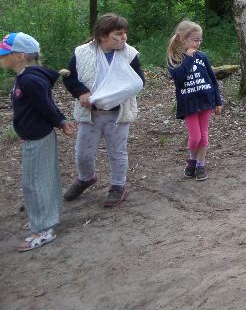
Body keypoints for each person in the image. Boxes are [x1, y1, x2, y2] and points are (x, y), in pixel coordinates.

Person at [1, 32, 75, 252]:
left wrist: (61, 121)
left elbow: (45, 105)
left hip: (37, 137)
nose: (1, 58)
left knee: (35, 183)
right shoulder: (26, 76)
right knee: (43, 178)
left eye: (4, 54)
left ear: (20, 56)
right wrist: (60, 121)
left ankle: (44, 228)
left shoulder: (29, 80)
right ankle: (46, 216)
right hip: (35, 135)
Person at [63, 13, 144, 207]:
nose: (124, 37)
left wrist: (112, 96)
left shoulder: (129, 54)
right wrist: (81, 93)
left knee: (117, 152)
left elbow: (138, 81)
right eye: (118, 34)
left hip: (117, 115)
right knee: (83, 153)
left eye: (124, 33)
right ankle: (86, 178)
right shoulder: (82, 53)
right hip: (90, 114)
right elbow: (68, 77)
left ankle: (118, 186)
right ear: (102, 36)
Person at [167, 21, 223, 181]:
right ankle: (192, 159)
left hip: (206, 100)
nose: (197, 43)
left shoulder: (202, 57)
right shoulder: (175, 59)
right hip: (189, 103)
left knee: (204, 136)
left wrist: (218, 101)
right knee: (195, 137)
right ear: (182, 38)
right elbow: (179, 79)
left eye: (200, 40)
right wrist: (189, 58)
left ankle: (200, 164)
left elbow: (212, 80)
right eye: (194, 40)